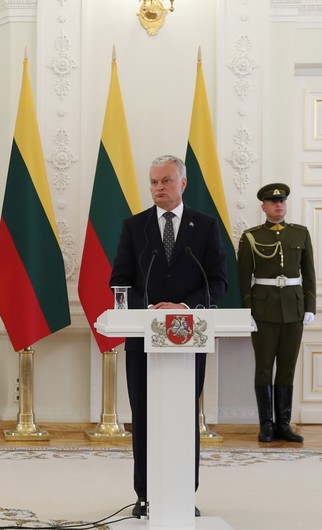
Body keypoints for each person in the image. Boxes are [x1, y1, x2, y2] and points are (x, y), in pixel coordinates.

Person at [110, 155, 227, 518]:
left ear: (182, 183)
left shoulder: (205, 226)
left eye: (166, 181)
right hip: (142, 338)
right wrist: (148, 310)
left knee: (182, 418)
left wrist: (183, 307)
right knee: (144, 417)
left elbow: (218, 282)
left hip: (187, 337)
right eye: (153, 182)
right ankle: (145, 495)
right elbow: (119, 281)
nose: (158, 187)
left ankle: (182, 493)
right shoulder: (135, 226)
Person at [237, 183, 315, 443]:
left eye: (282, 201)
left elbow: (309, 274)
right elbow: (243, 277)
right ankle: (266, 425)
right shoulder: (251, 236)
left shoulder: (300, 234)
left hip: (294, 309)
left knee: (287, 368)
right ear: (264, 207)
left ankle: (283, 424)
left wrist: (310, 306)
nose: (278, 205)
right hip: (263, 310)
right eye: (273, 202)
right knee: (263, 367)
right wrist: (246, 310)